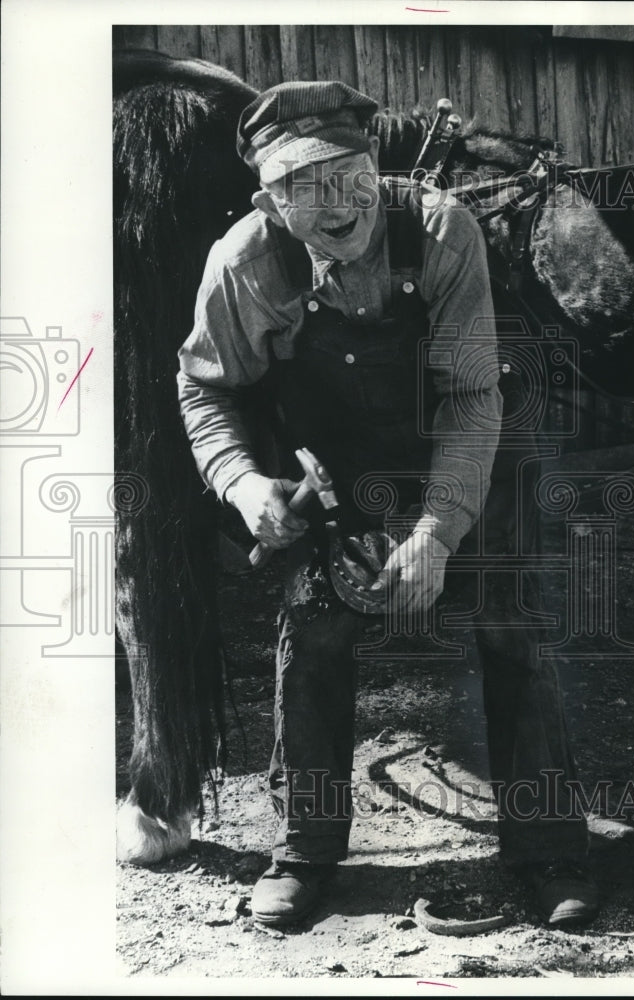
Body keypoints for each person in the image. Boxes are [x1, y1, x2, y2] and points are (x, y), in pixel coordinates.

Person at [177, 80, 599, 929]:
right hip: (336, 470)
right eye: (308, 185)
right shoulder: (246, 263)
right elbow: (205, 391)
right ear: (270, 197)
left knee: (506, 618)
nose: (339, 205)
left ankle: (550, 845)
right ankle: (305, 850)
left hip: (461, 440)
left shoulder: (442, 229)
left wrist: (440, 533)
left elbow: (471, 400)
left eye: (351, 175)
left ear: (377, 166)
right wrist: (243, 481)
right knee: (317, 629)